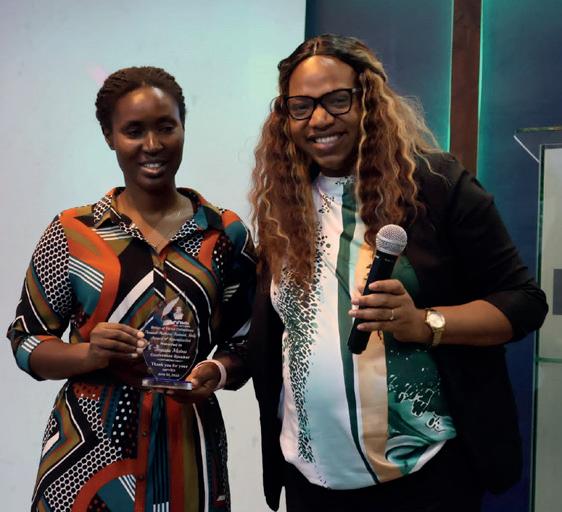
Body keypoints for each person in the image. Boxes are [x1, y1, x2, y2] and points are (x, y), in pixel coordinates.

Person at [248, 34, 547, 512]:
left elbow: (524, 302)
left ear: (368, 99)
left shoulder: (435, 185)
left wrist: (425, 324)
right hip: (310, 479)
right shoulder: (282, 204)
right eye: (300, 107)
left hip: (424, 477)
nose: (319, 120)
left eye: (337, 100)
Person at [7, 66, 256, 511]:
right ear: (109, 137)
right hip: (89, 456)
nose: (153, 145)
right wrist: (89, 354)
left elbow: (249, 343)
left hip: (187, 450)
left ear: (183, 127)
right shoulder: (73, 233)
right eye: (134, 131)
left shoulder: (225, 235)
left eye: (166, 127)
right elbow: (27, 342)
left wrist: (215, 372)